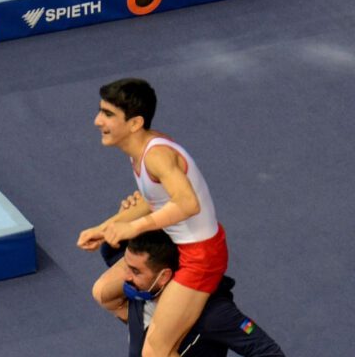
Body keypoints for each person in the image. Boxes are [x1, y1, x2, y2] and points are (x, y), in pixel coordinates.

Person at [77, 78, 229, 356]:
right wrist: (106, 227)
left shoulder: (156, 155)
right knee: (104, 294)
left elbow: (187, 203)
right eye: (101, 111)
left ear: (134, 123)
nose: (98, 121)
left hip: (200, 257)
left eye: (108, 114)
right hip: (172, 245)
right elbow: (153, 200)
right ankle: (168, 335)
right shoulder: (139, 151)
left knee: (154, 353)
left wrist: (131, 228)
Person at [109, 230, 285, 356]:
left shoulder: (213, 314)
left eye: (135, 271)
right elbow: (110, 250)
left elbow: (267, 351)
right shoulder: (140, 287)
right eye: (126, 266)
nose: (126, 276)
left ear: (163, 277)